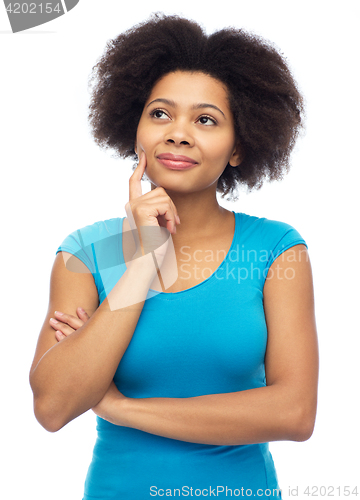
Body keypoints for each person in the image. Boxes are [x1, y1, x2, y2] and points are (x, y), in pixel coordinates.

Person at [29, 13, 319, 499]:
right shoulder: (83, 253)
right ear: (134, 128)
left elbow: (294, 414)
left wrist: (122, 408)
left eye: (205, 120)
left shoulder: (276, 251)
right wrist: (142, 261)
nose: (178, 133)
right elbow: (54, 407)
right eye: (160, 114)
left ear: (238, 149)